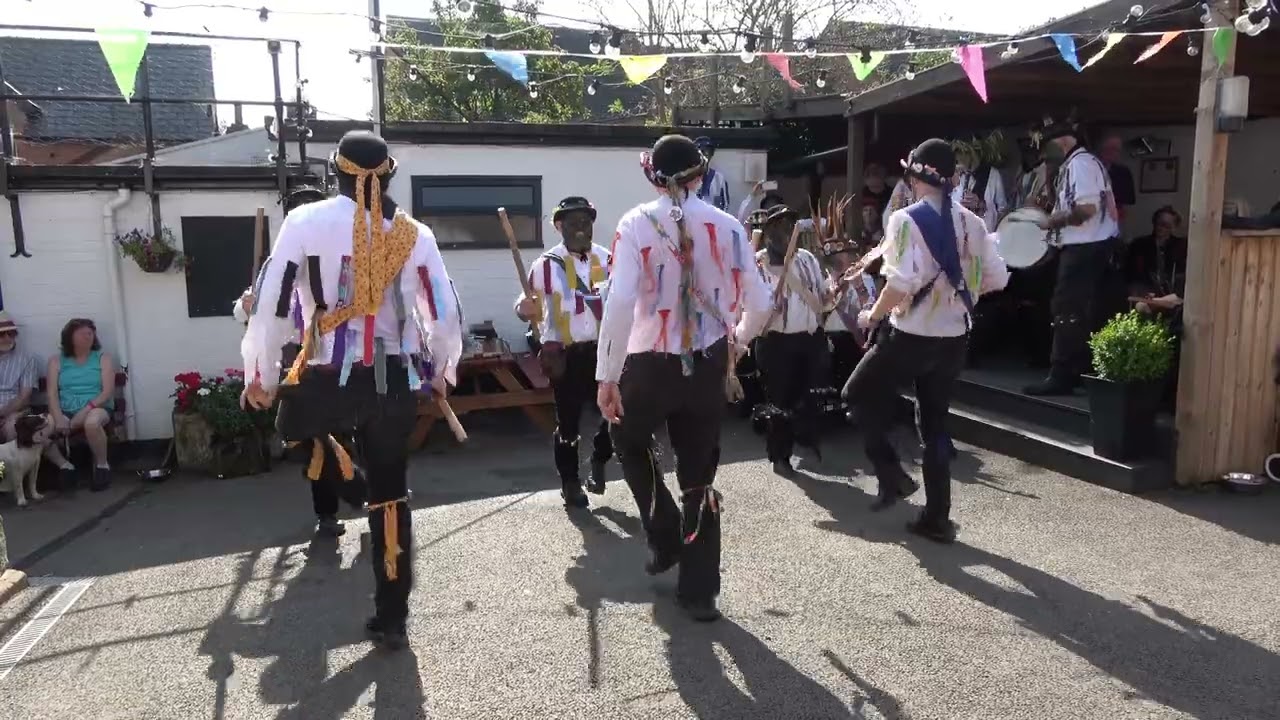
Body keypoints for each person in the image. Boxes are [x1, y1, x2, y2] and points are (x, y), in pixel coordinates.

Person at [240, 130, 463, 650]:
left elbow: (273, 303)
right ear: (388, 175)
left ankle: (350, 486)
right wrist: (441, 368)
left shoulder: (304, 221)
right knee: (392, 495)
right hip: (393, 380)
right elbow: (444, 309)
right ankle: (392, 616)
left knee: (293, 428)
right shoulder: (414, 233)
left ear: (335, 172)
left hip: (324, 375)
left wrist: (262, 374)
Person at [596, 134, 771, 622]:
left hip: (649, 364)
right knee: (698, 474)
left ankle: (664, 530)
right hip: (708, 362)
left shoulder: (635, 223)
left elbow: (620, 301)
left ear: (653, 176)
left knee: (626, 437)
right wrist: (738, 341)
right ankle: (700, 592)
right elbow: (761, 303)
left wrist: (607, 375)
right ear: (700, 174)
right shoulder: (729, 226)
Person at [843, 139, 1009, 543]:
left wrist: (872, 316)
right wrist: (956, 294)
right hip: (954, 337)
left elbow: (899, 283)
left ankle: (892, 475)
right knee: (934, 425)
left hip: (911, 335)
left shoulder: (905, 219)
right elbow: (997, 279)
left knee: (855, 395)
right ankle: (937, 518)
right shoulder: (973, 223)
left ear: (916, 176)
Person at [234, 186, 363, 539]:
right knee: (311, 436)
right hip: (299, 364)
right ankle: (336, 506)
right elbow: (252, 314)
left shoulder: (344, 260)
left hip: (342, 360)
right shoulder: (282, 261)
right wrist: (248, 306)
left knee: (345, 432)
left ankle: (360, 495)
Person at [513, 195, 613, 507]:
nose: (581, 228)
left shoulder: (609, 259)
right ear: (559, 226)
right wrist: (523, 308)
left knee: (615, 415)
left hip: (604, 352)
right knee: (568, 423)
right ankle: (570, 482)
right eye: (572, 222)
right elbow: (524, 304)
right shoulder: (544, 266)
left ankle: (600, 458)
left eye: (586, 221)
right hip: (565, 356)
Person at [1024, 119, 1121, 396]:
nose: (1045, 152)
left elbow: (1086, 210)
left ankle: (1062, 375)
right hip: (1088, 247)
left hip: (1086, 247)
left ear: (1063, 140)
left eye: (1048, 145)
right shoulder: (1078, 163)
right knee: (1076, 311)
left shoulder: (1081, 164)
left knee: (1066, 310)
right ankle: (1076, 372)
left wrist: (1050, 221)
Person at [751, 203, 829, 473]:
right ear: (769, 232)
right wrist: (766, 308)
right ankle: (780, 456)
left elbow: (821, 294)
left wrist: (833, 293)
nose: (785, 232)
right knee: (779, 402)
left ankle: (805, 438)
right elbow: (748, 302)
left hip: (809, 339)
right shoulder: (758, 263)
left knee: (810, 395)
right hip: (776, 342)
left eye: (790, 225)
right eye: (779, 226)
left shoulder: (807, 259)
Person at [46, 318, 116, 492]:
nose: (88, 337)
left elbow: (106, 392)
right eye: (82, 334)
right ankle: (65, 466)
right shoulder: (56, 361)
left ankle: (102, 466)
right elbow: (52, 394)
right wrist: (58, 418)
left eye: (90, 333)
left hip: (96, 406)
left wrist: (84, 411)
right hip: (66, 409)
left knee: (91, 423)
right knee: (42, 428)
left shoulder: (103, 358)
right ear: (69, 337)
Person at [1125, 206, 1186, 297]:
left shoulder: (1180, 246)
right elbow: (1132, 273)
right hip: (1146, 290)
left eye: (1167, 225)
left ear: (1174, 227)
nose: (1161, 227)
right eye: (1159, 223)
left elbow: (1182, 272)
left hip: (1172, 292)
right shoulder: (1139, 244)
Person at [0, 312, 39, 443]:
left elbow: (24, 397)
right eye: (1, 334)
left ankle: (8, 458)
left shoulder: (27, 359)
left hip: (15, 410)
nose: (7, 338)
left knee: (12, 426)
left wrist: (3, 413)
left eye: (11, 333)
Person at [1097, 134, 1136, 225]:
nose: (1112, 152)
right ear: (1101, 149)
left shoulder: (1123, 172)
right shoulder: (1087, 169)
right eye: (1109, 148)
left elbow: (1127, 200)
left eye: (1116, 150)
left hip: (1113, 218)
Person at [693, 136, 731, 212]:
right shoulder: (688, 177)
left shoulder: (719, 178)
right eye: (702, 151)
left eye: (708, 151)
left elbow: (725, 205)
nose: (705, 154)